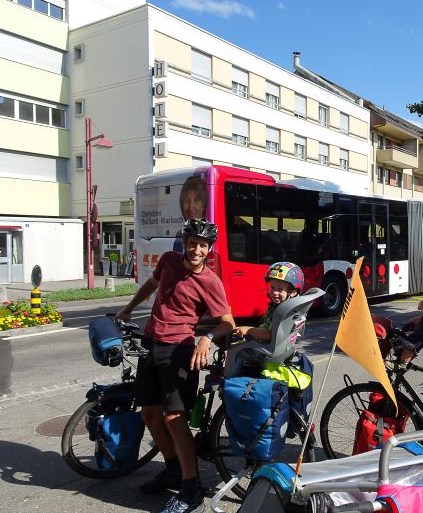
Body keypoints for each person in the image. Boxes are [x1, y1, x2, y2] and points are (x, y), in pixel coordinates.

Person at [115, 218, 235, 513]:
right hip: (151, 344)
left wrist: (206, 339)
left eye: (203, 246)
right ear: (185, 242)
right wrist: (129, 308)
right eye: (193, 243)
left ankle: (191, 487)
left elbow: (227, 323)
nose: (196, 249)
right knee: (151, 415)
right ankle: (171, 470)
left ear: (208, 250)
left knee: (174, 419)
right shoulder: (168, 260)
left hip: (180, 351)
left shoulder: (210, 281)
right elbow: (152, 284)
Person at [235, 261, 305, 342]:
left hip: (266, 349)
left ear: (293, 292)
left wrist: (249, 330)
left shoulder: (285, 311)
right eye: (272, 287)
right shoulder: (279, 306)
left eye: (280, 289)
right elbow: (266, 326)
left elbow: (270, 335)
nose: (275, 292)